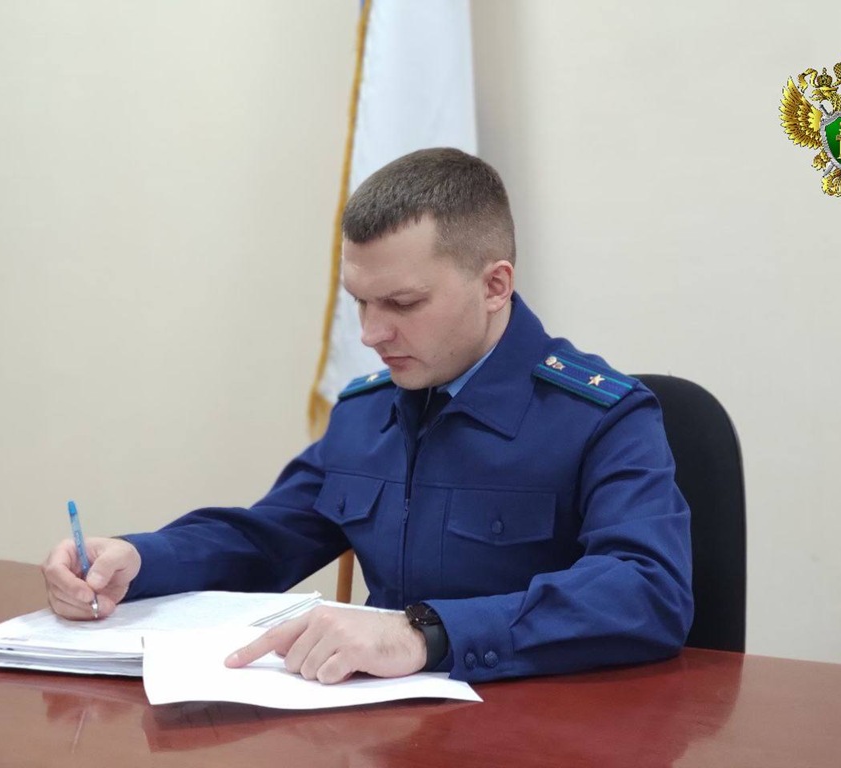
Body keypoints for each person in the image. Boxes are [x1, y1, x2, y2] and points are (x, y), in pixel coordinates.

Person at [42, 148, 693, 684]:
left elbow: (648, 591)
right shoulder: (367, 410)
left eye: (402, 303)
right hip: (379, 728)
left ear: (495, 286)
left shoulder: (601, 417)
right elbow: (267, 539)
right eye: (360, 301)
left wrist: (423, 633)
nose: (372, 334)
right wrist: (139, 558)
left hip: (541, 731)